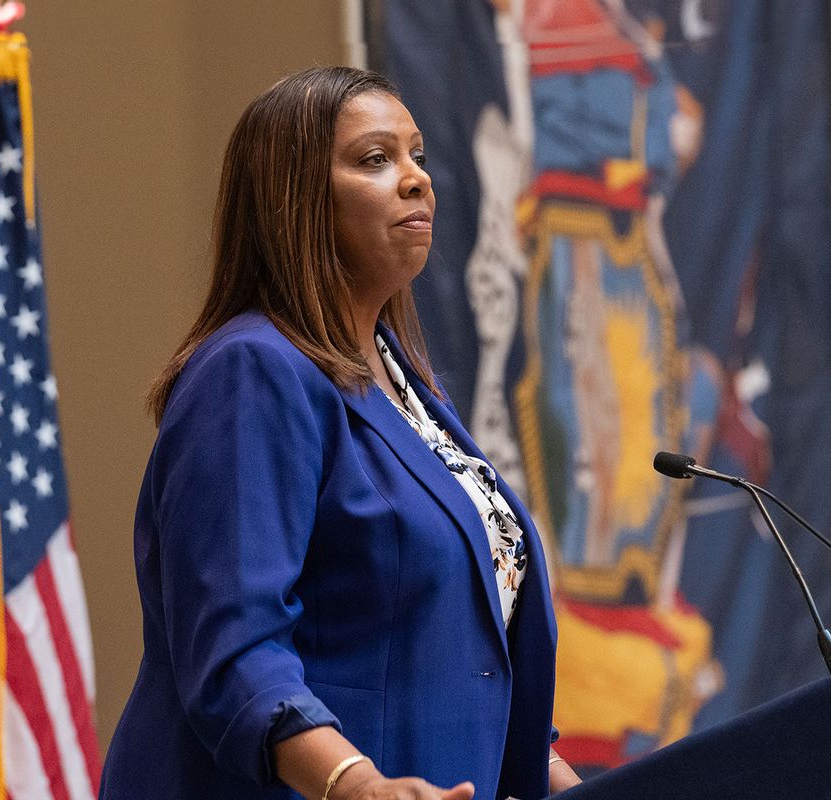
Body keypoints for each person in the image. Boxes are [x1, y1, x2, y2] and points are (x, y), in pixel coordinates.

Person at [99, 67, 582, 800]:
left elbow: (469, 668)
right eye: (376, 159)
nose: (417, 179)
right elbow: (236, 652)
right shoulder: (252, 372)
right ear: (295, 201)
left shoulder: (406, 384)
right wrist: (353, 785)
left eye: (418, 155)